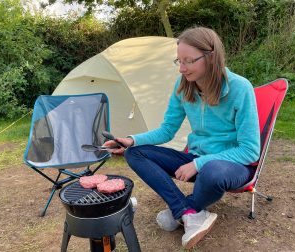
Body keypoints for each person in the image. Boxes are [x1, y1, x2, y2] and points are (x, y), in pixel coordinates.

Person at [103, 26, 260, 249]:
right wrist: (132, 140)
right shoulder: (183, 86)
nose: (182, 69)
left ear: (211, 57)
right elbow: (167, 130)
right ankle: (187, 212)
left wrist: (199, 163)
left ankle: (185, 208)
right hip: (198, 159)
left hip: (231, 166)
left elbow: (250, 150)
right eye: (179, 61)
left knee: (212, 169)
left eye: (188, 61)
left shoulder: (240, 88)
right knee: (135, 153)